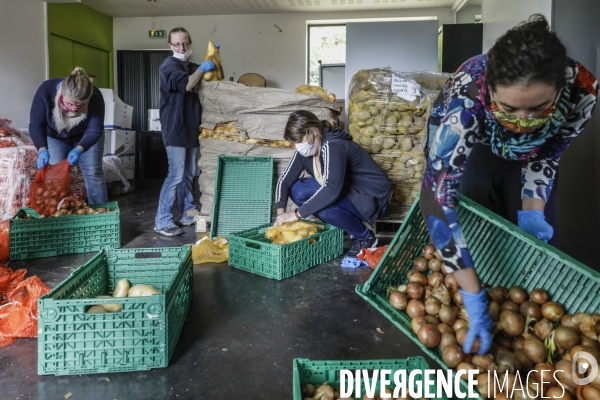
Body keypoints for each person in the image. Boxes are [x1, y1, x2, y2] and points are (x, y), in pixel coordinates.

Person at [420, 14, 598, 355]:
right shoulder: (468, 97)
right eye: (510, 108)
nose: (524, 122)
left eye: (539, 108)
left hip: (530, 160)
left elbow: (548, 154)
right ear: (490, 91)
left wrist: (533, 209)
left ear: (560, 90)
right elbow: (436, 197)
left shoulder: (582, 91)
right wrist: (473, 297)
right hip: (475, 148)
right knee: (477, 232)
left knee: (540, 236)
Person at [274, 110, 392, 257]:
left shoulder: (333, 145)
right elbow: (285, 179)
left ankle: (364, 237)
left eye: (299, 141)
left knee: (322, 206)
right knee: (298, 189)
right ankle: (344, 225)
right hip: (349, 194)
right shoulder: (306, 150)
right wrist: (281, 215)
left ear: (313, 132)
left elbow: (332, 188)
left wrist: (297, 214)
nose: (298, 146)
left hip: (372, 198)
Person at [154, 27, 220, 236]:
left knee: (188, 175)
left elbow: (210, 77)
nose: (181, 47)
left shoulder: (190, 66)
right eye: (177, 44)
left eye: (185, 43)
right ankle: (162, 221)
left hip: (192, 128)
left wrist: (215, 58)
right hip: (175, 128)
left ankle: (187, 214)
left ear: (190, 43)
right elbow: (188, 84)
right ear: (170, 46)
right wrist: (202, 68)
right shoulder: (169, 65)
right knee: (175, 175)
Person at [29, 67, 108, 204]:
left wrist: (79, 149)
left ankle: (100, 215)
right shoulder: (46, 91)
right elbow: (36, 125)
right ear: (61, 95)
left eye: (81, 105)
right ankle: (59, 214)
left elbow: (94, 131)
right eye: (69, 103)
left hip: (86, 135)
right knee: (55, 176)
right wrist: (42, 150)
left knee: (93, 174)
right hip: (56, 135)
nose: (73, 109)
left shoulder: (96, 96)